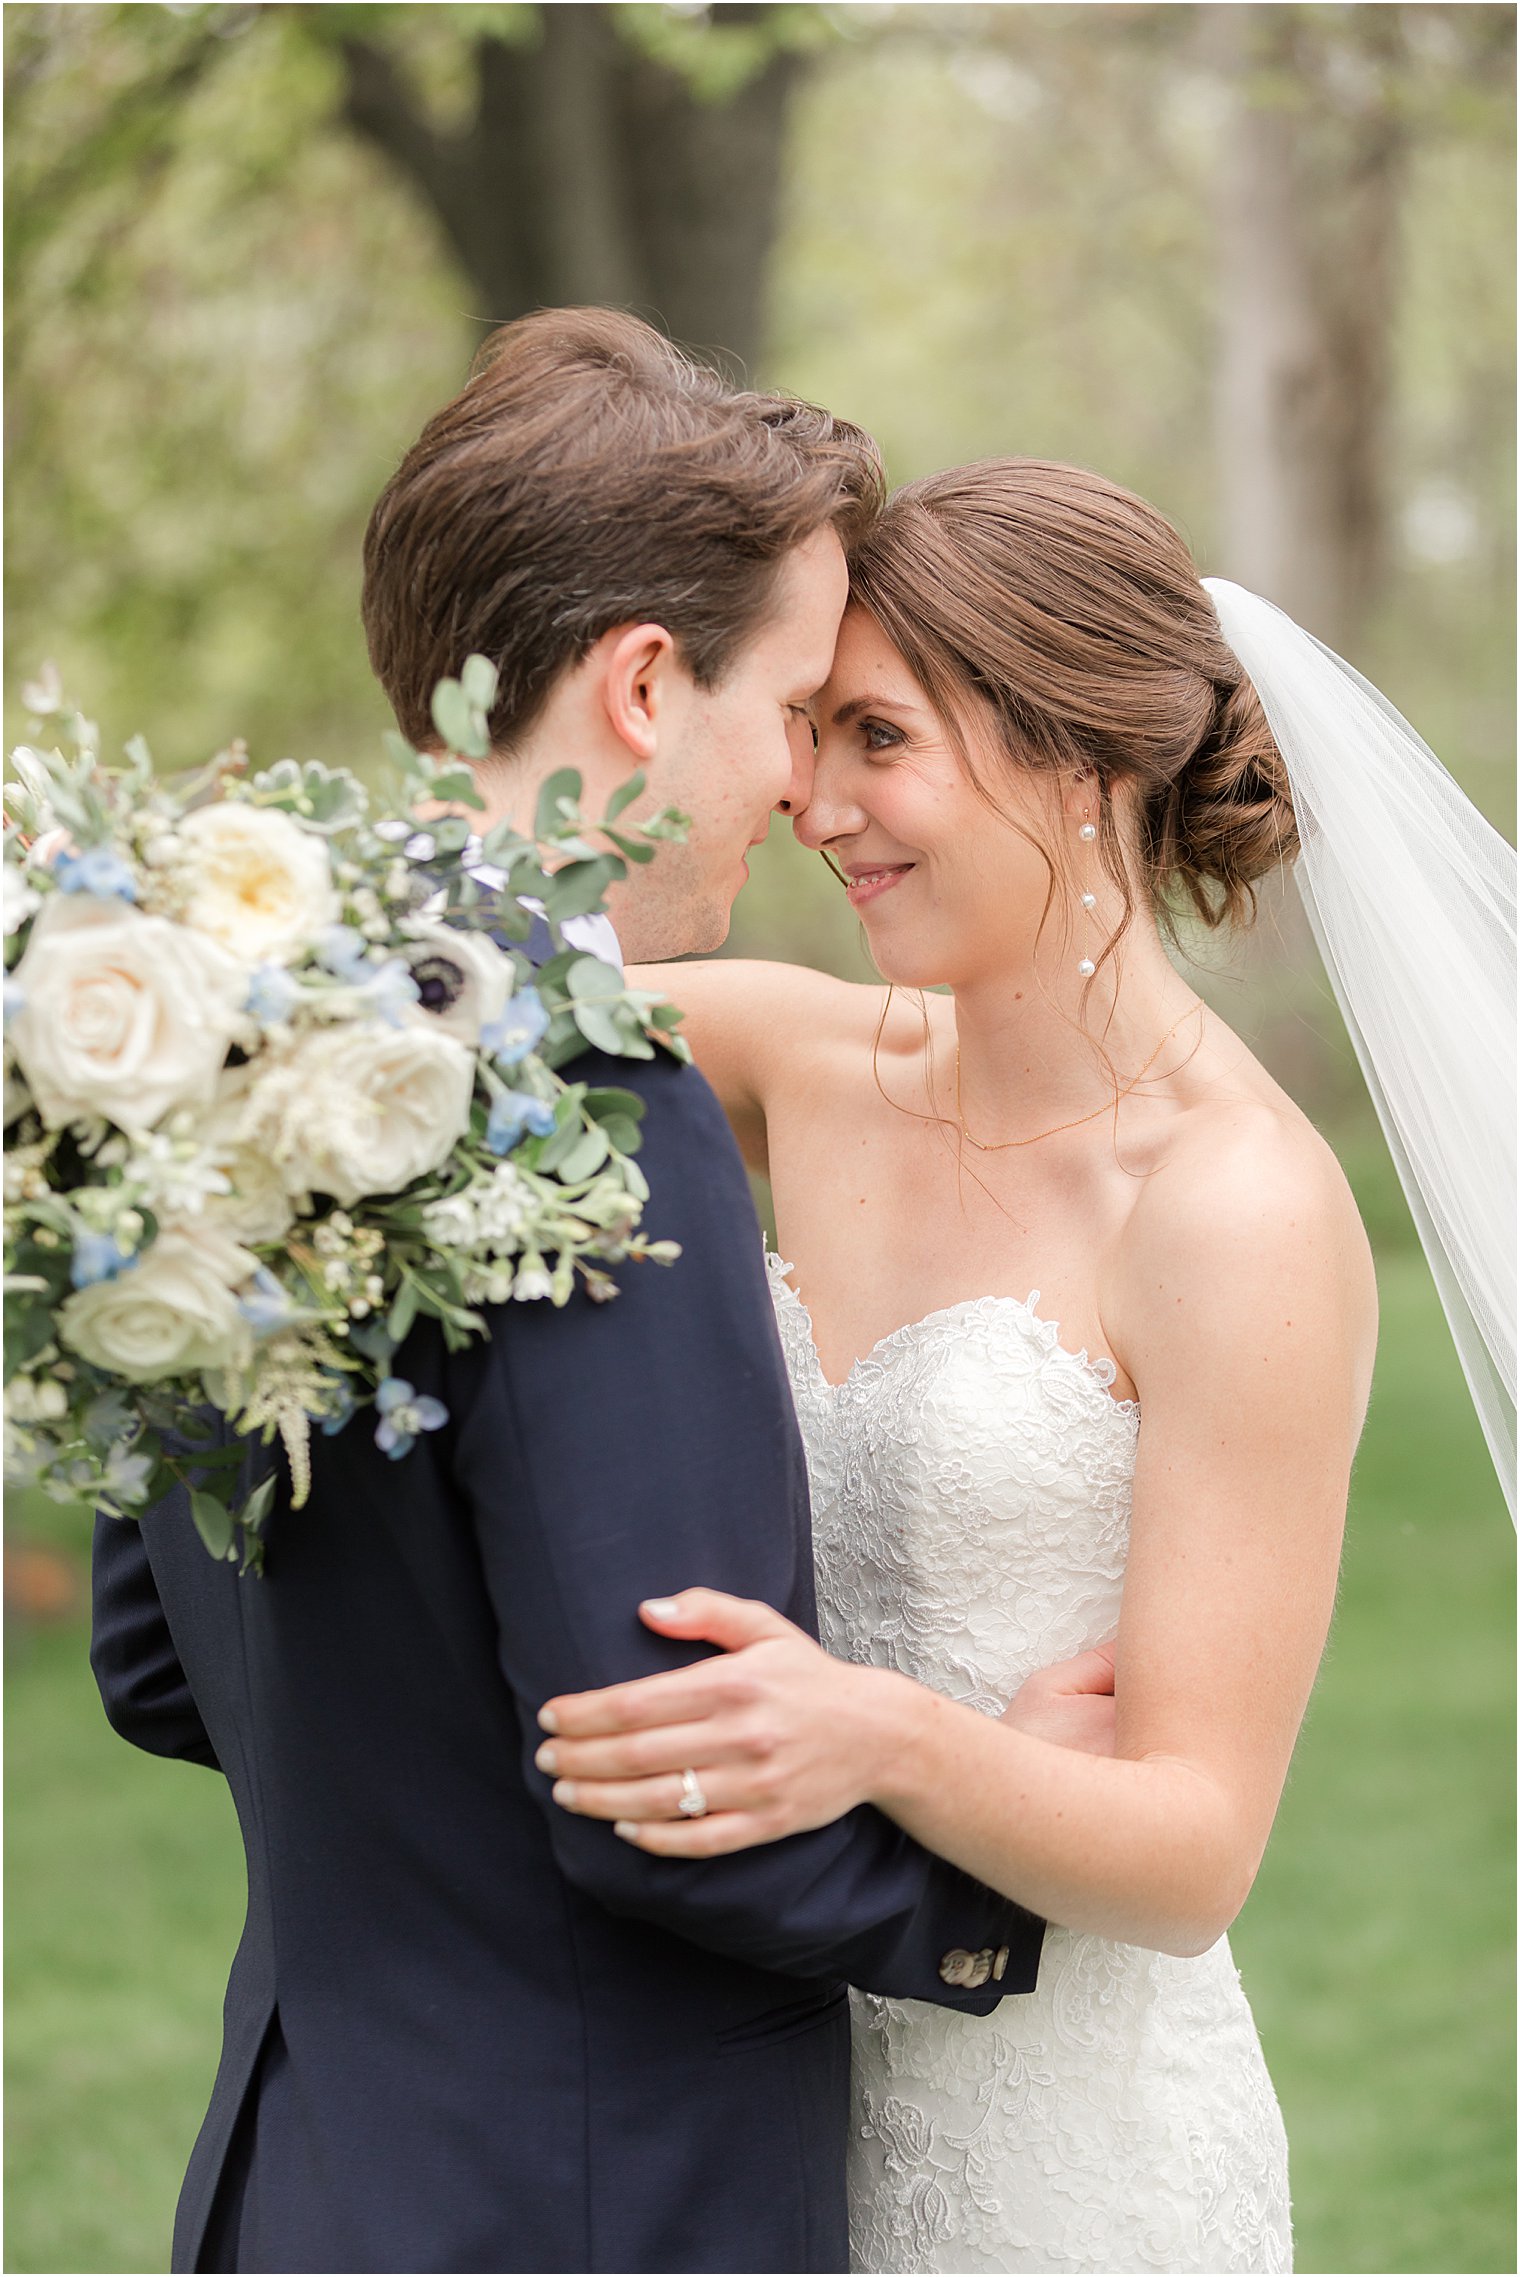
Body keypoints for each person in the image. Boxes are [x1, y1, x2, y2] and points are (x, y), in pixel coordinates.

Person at [88, 317, 1128, 2277]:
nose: (807, 784)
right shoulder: (581, 1088)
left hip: (293, 2176)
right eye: (799, 707)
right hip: (594, 2203)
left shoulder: (236, 1040)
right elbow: (665, 1772)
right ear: (647, 684)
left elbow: (157, 1658)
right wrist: (1000, 1884)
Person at [522, 457, 1439, 2274]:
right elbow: (437, 1007)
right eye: (809, 730)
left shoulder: (1235, 1209)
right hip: (750, 2094)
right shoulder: (798, 1059)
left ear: (1081, 759)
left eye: (879, 738)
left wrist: (873, 1728)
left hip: (1061, 2154)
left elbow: (1193, 1855)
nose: (813, 801)